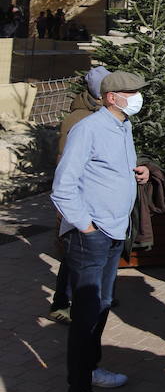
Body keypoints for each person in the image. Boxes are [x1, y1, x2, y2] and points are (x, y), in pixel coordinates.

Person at [50, 71, 149, 392]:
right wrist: (87, 227)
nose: (138, 96)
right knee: (86, 312)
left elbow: (107, 171)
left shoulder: (123, 127)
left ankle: (91, 370)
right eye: (131, 92)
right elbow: (63, 186)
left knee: (103, 304)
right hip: (91, 235)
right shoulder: (88, 129)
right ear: (112, 97)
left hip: (113, 232)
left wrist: (139, 174)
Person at [49, 65, 110, 322]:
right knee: (73, 253)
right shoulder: (79, 119)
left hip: (98, 196)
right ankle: (61, 302)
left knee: (93, 254)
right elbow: (67, 163)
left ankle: (98, 296)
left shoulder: (106, 114)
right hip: (80, 196)